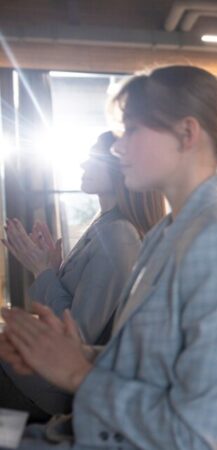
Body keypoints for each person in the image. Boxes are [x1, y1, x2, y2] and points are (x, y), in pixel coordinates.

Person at [0, 65, 217, 449]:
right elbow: (152, 363)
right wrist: (73, 352)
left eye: (131, 131)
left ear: (186, 134)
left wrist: (78, 373)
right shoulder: (167, 232)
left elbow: (200, 433)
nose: (119, 148)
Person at [0, 131, 165, 421]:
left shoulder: (118, 236)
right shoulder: (105, 225)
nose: (82, 165)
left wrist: (43, 271)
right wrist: (55, 269)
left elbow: (77, 337)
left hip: (53, 387)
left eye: (92, 157)